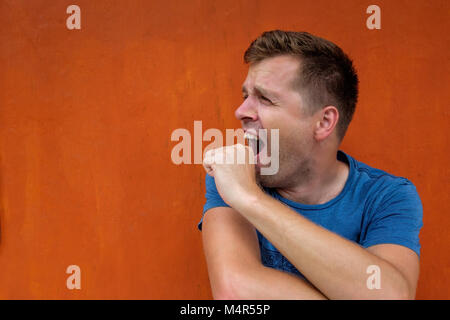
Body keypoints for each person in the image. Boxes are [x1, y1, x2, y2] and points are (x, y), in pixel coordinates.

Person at [198, 30, 423, 299]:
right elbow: (235, 292)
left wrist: (249, 199)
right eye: (246, 95)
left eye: (265, 98)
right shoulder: (229, 176)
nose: (241, 111)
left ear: (324, 122)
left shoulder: (388, 196)